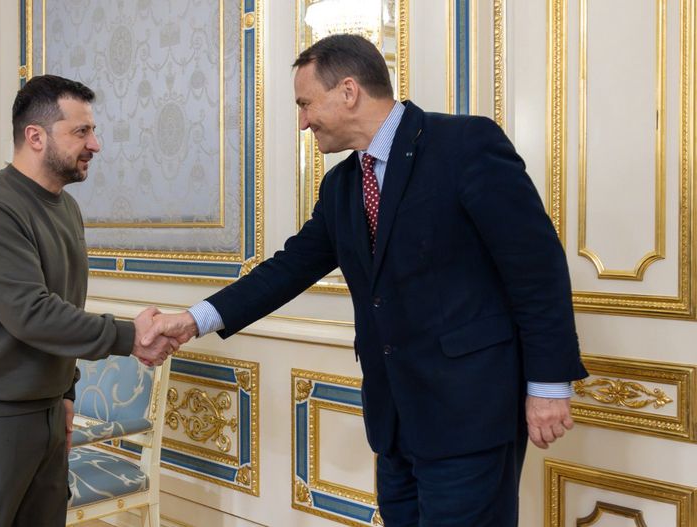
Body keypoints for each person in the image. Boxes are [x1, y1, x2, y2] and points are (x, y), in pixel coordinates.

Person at [143, 35, 587, 526]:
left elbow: (536, 267)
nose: (302, 121)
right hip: (394, 421)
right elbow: (288, 269)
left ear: (348, 91)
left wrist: (548, 385)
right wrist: (193, 320)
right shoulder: (341, 186)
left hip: (470, 414)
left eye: (305, 104)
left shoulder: (464, 144)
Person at [0, 75, 176, 527]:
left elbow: (64, 306)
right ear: (35, 136)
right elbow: (32, 314)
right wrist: (132, 336)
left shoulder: (66, 208)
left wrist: (65, 393)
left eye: (92, 130)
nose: (95, 144)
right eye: (81, 131)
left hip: (45, 410)